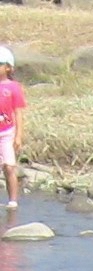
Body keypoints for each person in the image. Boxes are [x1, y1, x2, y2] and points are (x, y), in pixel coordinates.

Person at [0, 47, 25, 211]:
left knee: (9, 166)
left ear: (8, 67)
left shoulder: (14, 87)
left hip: (7, 132)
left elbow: (18, 112)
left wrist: (18, 136)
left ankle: (13, 201)